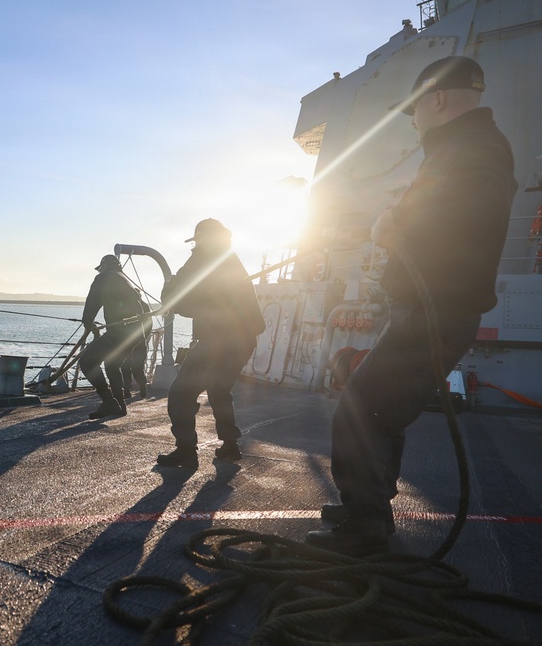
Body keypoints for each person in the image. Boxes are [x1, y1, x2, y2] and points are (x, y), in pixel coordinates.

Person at [306, 56, 517, 555]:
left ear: (437, 99)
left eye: (416, 110)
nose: (415, 120)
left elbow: (471, 207)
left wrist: (397, 220)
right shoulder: (466, 146)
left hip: (435, 310)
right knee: (381, 410)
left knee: (357, 411)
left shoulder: (473, 147)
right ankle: (369, 501)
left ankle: (365, 526)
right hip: (427, 308)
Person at [156, 219, 265, 468]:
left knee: (180, 393)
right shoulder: (230, 257)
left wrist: (171, 295)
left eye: (196, 241)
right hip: (244, 341)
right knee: (218, 390)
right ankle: (230, 445)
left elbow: (175, 295)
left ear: (202, 238)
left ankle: (185, 450)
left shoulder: (204, 256)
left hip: (218, 340)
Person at [78, 255, 144, 419]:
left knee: (87, 361)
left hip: (119, 332)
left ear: (104, 266)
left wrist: (88, 322)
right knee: (112, 364)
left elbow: (93, 301)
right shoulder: (125, 279)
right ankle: (119, 406)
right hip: (136, 333)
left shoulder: (103, 277)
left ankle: (109, 402)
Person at [121, 290, 152, 399]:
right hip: (139, 341)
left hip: (127, 342)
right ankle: (142, 388)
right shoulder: (145, 306)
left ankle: (126, 389)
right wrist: (143, 337)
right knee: (137, 366)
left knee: (125, 365)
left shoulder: (125, 305)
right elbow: (149, 325)